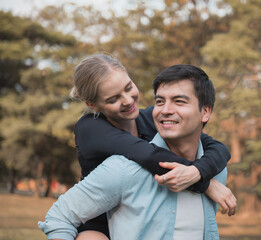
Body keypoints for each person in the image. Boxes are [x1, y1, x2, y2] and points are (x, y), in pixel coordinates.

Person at [39, 64, 237, 240]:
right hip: (96, 222)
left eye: (128, 88)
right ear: (93, 104)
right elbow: (148, 155)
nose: (127, 100)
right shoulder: (91, 129)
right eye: (113, 98)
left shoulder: (152, 117)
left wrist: (202, 171)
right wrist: (202, 180)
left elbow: (217, 147)